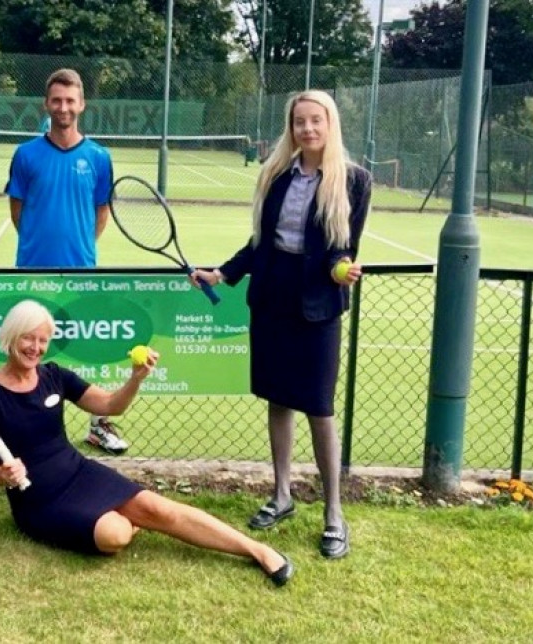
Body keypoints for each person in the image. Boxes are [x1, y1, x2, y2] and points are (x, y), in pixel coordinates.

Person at [0, 299, 295, 587]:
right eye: (28, 338)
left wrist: (135, 379)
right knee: (115, 535)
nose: (35, 347)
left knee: (159, 509)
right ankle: (124, 518)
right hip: (38, 501)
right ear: (10, 336)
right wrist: (2, 476)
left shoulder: (54, 375)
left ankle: (258, 551)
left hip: (80, 473)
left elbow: (110, 406)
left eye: (42, 340)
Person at [190, 90, 371, 559]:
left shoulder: (353, 181)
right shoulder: (275, 176)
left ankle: (334, 514)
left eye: (316, 121)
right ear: (290, 128)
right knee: (278, 399)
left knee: (319, 407)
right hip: (271, 299)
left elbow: (343, 247)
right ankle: (282, 495)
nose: (307, 129)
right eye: (299, 122)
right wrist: (223, 273)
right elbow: (261, 245)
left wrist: (342, 269)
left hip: (317, 305)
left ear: (330, 125)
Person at [6, 67, 128, 456]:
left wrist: (78, 247)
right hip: (32, 267)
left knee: (87, 349)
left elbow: (101, 212)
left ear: (82, 104)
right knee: (27, 350)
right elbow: (17, 211)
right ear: (47, 103)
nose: (63, 107)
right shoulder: (25, 155)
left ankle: (98, 426)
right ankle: (19, 427)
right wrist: (40, 245)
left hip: (81, 269)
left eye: (70, 100)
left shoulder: (98, 157)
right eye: (56, 100)